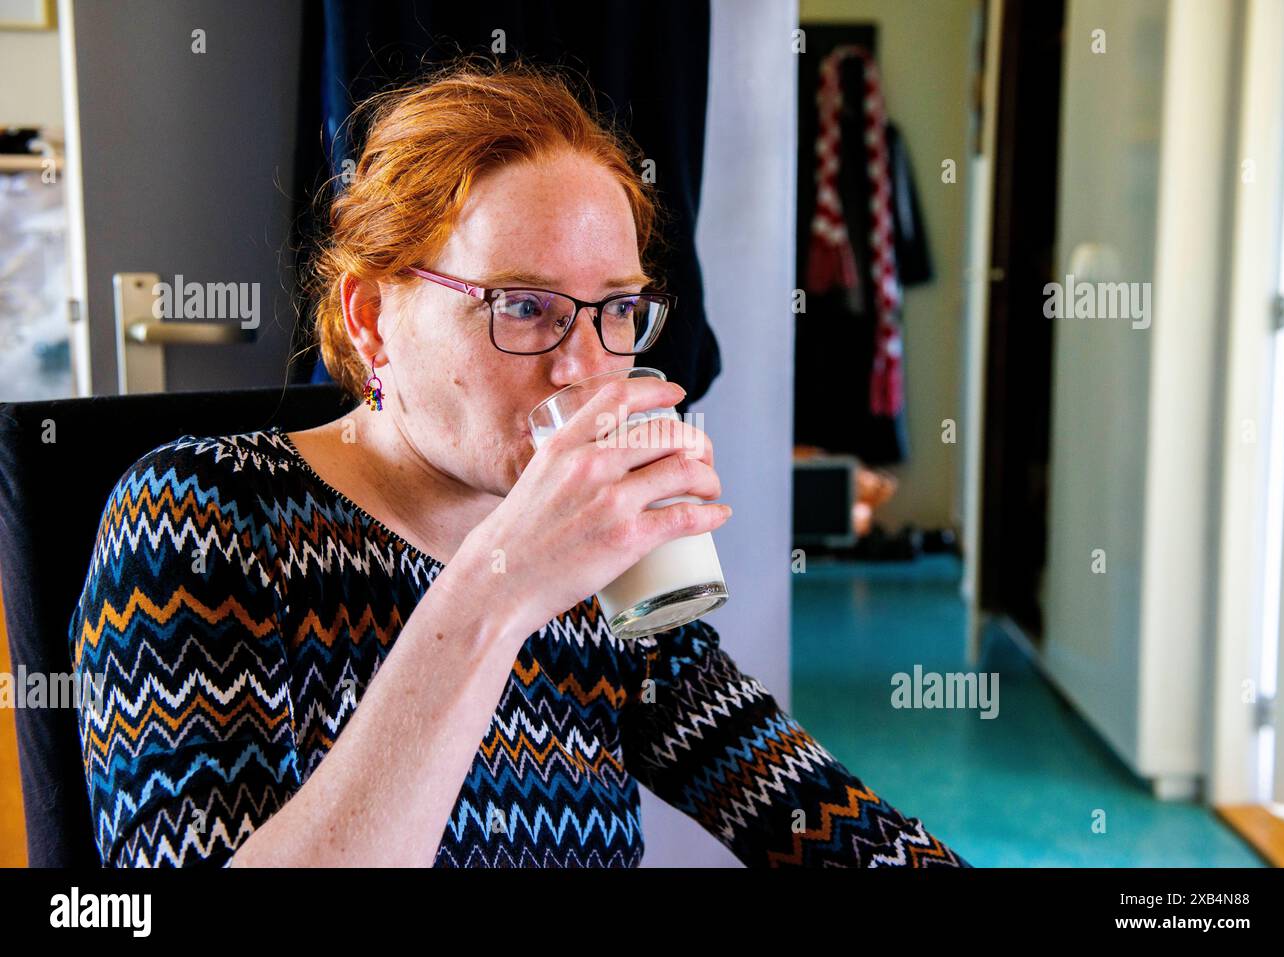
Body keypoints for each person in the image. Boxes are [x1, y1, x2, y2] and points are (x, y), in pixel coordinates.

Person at [68, 57, 970, 868]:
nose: (583, 366)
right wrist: (504, 582)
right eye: (526, 306)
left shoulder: (609, 568)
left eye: (615, 309)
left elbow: (813, 815)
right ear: (373, 317)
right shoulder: (199, 519)